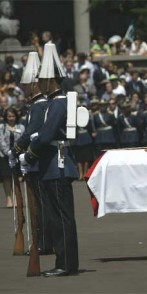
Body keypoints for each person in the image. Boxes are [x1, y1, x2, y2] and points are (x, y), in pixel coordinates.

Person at [20, 43, 79, 276]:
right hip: (52, 165)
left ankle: (66, 263)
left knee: (61, 218)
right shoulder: (55, 103)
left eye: (42, 81)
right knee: (57, 218)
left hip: (57, 165)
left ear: (50, 81)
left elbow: (46, 134)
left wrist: (29, 152)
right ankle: (64, 261)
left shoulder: (58, 103)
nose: (39, 84)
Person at [12, 52, 53, 253]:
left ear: (33, 85)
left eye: (26, 85)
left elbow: (30, 133)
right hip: (36, 159)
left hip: (36, 160)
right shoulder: (38, 105)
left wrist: (16, 149)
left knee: (40, 204)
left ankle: (44, 242)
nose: (24, 88)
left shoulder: (38, 106)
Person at [0, 107, 24, 207]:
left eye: (13, 116)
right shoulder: (1, 127)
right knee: (7, 177)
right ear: (6, 117)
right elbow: (1, 141)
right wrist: (8, 152)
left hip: (17, 154)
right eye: (9, 116)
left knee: (16, 177)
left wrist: (16, 152)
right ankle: (9, 199)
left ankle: (16, 197)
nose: (11, 118)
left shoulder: (21, 127)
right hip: (4, 155)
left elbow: (23, 140)